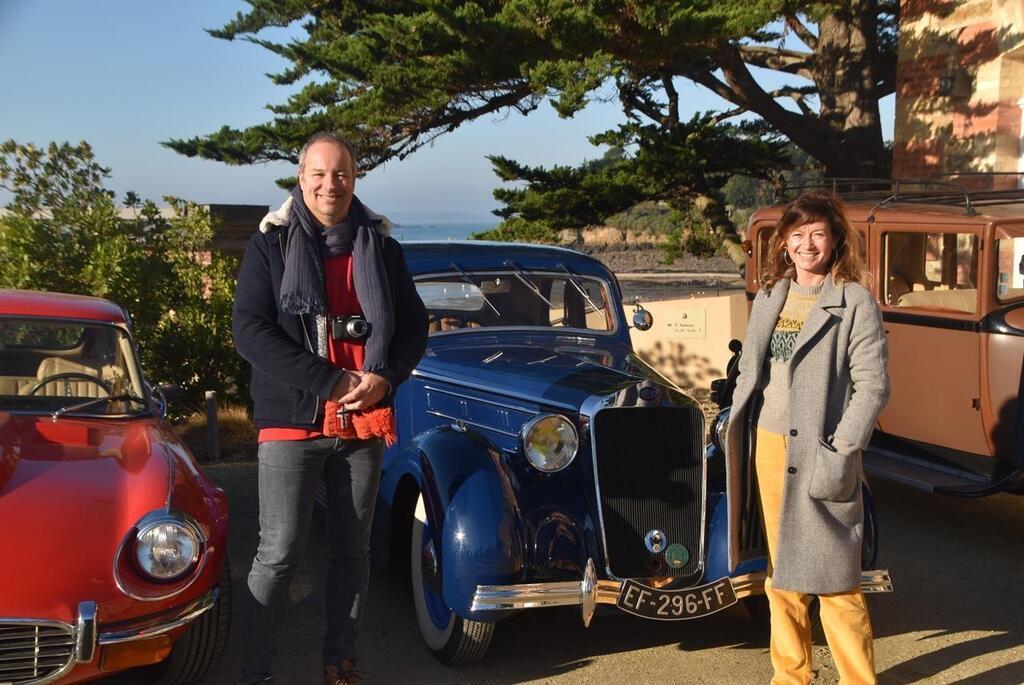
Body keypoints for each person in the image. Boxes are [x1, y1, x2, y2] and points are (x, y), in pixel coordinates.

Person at [232, 132, 428, 685]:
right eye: (318, 174)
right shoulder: (269, 246)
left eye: (340, 174)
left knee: (352, 552)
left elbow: (414, 327)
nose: (329, 185)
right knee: (278, 554)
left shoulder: (382, 247)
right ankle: (257, 673)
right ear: (301, 178)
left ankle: (339, 661)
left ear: (355, 178)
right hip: (291, 422)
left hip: (362, 422)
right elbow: (250, 332)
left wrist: (385, 377)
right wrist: (331, 380)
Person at [725, 192, 890, 684]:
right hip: (770, 448)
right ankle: (791, 677)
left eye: (817, 232)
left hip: (822, 451)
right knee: (782, 578)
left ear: (836, 238)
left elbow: (874, 385)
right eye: (796, 234)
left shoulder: (854, 300)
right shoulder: (772, 295)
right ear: (784, 244)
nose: (807, 244)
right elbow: (752, 371)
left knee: (838, 581)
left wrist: (842, 448)